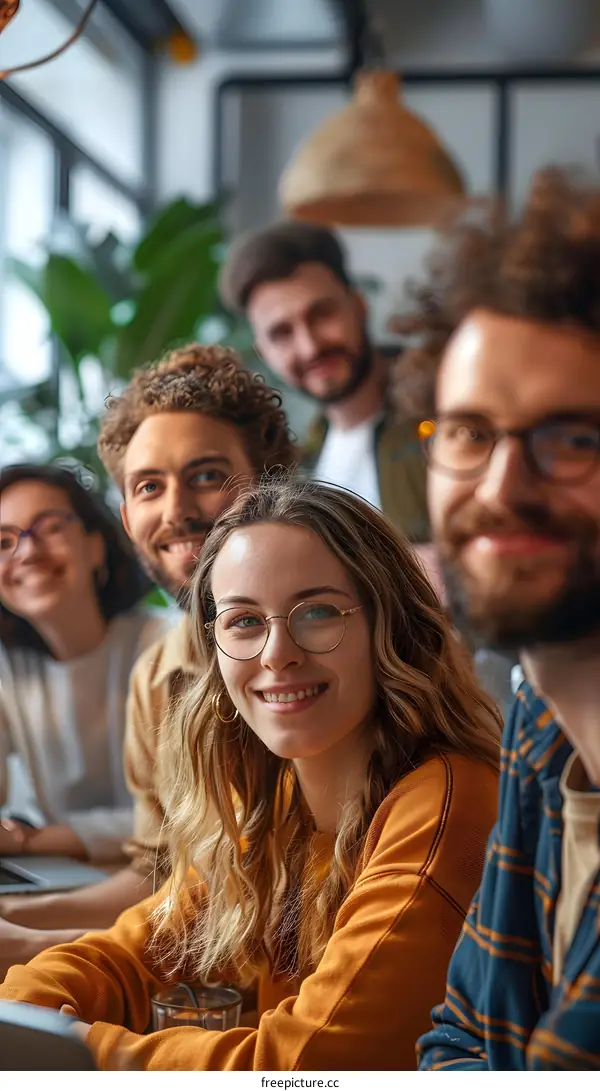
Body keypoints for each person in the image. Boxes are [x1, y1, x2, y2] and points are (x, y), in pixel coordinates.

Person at [0, 478, 500, 1071]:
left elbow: (309, 1065)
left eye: (317, 612)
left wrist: (78, 1051)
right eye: (243, 621)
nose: (275, 652)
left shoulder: (447, 801)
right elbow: (133, 951)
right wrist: (29, 1019)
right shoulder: (274, 798)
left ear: (391, 626)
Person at [391, 166, 600, 1069]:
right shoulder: (537, 722)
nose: (502, 488)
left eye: (574, 437)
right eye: (470, 432)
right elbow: (458, 1035)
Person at [0, 345, 297, 966]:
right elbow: (168, 875)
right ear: (128, 515)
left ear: (271, 483)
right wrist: (27, 928)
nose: (178, 510)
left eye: (208, 475)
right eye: (149, 487)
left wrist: (38, 941)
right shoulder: (159, 677)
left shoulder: (324, 646)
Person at [219, 221, 430, 543]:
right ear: (265, 353)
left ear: (358, 307)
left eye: (322, 314)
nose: (310, 347)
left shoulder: (444, 403)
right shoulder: (298, 467)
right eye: (282, 333)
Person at [0, 463, 170, 862]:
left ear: (96, 546)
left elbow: (179, 820)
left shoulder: (164, 644)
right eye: (3, 542)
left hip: (174, 881)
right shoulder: (8, 668)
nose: (27, 551)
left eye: (51, 527)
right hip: (71, 874)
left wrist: (31, 841)